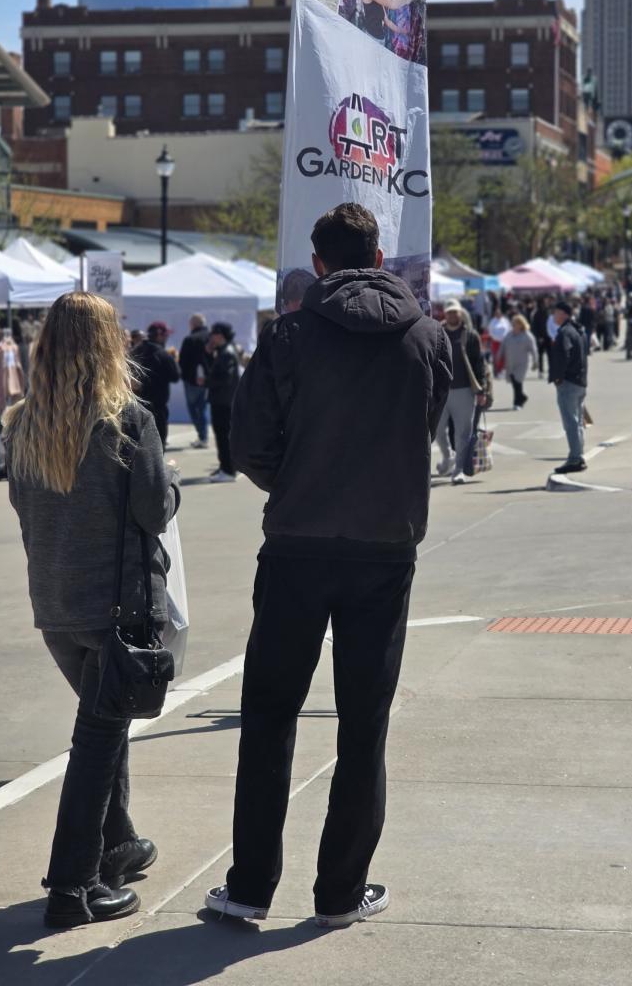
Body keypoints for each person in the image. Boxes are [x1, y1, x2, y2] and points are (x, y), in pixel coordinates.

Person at [205, 203, 451, 928]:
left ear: (318, 264)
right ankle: (340, 892)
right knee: (363, 723)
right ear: (377, 258)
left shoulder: (288, 335)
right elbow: (426, 427)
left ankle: (251, 886)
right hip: (384, 547)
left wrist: (298, 480)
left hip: (298, 545)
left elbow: (248, 445)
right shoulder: (427, 337)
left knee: (269, 716)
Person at [4, 292, 180, 928]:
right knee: (97, 742)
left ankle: (118, 841)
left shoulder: (21, 424)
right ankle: (72, 887)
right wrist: (171, 479)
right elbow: (154, 510)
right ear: (109, 346)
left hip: (56, 606)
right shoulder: (126, 421)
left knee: (105, 723)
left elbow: (25, 510)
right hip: (116, 608)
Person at [435, 299, 487, 484]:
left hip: (465, 390)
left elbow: (479, 363)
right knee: (437, 430)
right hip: (441, 391)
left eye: (455, 312)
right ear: (445, 314)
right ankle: (447, 456)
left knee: (462, 433)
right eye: (449, 312)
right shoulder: (437, 333)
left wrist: (482, 390)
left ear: (460, 313)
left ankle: (458, 470)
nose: (452, 315)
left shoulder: (470, 335)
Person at [549, 299, 588, 474]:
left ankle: (575, 458)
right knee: (577, 422)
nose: (553, 315)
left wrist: (558, 377)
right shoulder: (578, 330)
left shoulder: (565, 332)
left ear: (563, 314)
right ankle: (578, 455)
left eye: (556, 312)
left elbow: (564, 354)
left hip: (569, 383)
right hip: (580, 381)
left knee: (571, 422)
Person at [132, 322, 180, 446]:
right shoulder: (163, 355)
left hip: (136, 405)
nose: (167, 338)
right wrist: (173, 360)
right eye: (165, 335)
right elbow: (175, 376)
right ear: (159, 335)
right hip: (157, 406)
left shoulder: (135, 351)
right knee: (158, 445)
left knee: (138, 445)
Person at [206, 322, 240, 483]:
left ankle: (228, 470)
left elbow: (225, 378)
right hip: (223, 400)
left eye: (213, 334)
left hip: (223, 401)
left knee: (223, 436)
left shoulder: (227, 352)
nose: (211, 337)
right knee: (223, 435)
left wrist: (208, 381)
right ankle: (227, 466)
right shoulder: (225, 350)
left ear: (220, 335)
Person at [178, 313, 211, 449]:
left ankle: (202, 436)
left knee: (194, 409)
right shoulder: (211, 338)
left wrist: (184, 376)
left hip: (192, 381)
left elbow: (182, 361)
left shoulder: (190, 339)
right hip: (209, 380)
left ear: (193, 324)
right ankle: (203, 436)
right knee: (202, 408)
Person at [500, 314, 537, 409]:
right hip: (510, 363)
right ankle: (522, 397)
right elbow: (503, 346)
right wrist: (499, 356)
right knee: (514, 382)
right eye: (512, 323)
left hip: (522, 363)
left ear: (521, 324)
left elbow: (533, 349)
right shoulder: (509, 334)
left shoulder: (527, 335)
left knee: (517, 381)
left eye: (515, 323)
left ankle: (517, 403)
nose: (513, 325)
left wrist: (535, 361)